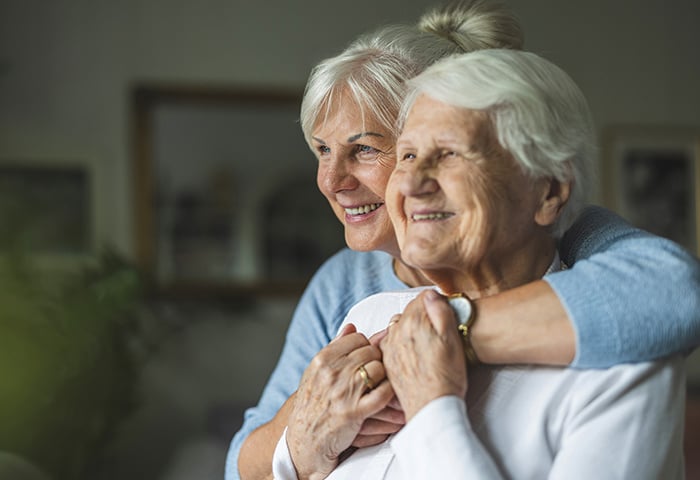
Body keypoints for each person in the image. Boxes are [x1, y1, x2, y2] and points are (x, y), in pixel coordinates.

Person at [226, 2, 700, 479]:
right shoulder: (355, 302)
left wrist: (447, 335)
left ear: (548, 191)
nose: (329, 181)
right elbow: (241, 466)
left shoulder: (594, 285)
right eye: (322, 151)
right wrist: (305, 438)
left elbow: (671, 292)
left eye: (366, 148)